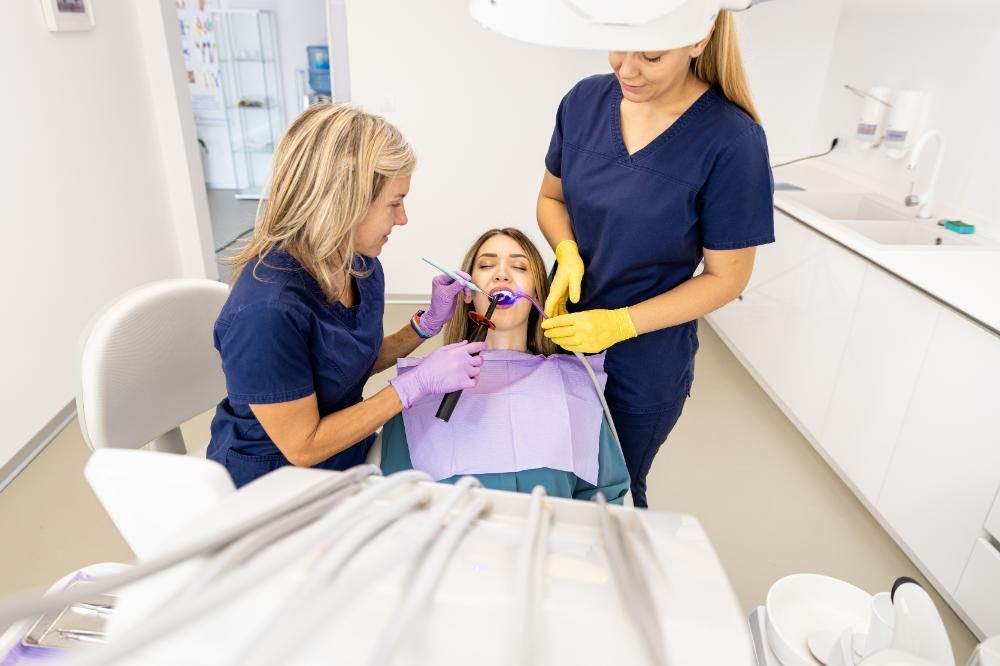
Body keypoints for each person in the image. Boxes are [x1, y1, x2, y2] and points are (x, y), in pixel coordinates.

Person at [537, 12, 775, 507]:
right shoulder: (584, 100)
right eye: (617, 48)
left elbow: (727, 278)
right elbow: (551, 199)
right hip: (560, 335)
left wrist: (620, 324)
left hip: (644, 363)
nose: (628, 70)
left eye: (650, 56)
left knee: (614, 490)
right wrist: (566, 249)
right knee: (556, 476)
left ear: (698, 38)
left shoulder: (731, 140)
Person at [207, 104, 485, 488]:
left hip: (347, 456)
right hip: (274, 482)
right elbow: (303, 446)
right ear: (344, 201)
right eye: (394, 203)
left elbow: (346, 365)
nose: (403, 218)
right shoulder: (265, 312)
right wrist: (412, 386)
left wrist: (424, 326)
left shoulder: (358, 264)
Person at [379, 228, 630, 503]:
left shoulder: (573, 385)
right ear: (466, 292)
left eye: (519, 266)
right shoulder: (423, 386)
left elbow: (606, 497)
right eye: (486, 265)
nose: (501, 274)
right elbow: (394, 499)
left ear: (538, 293)